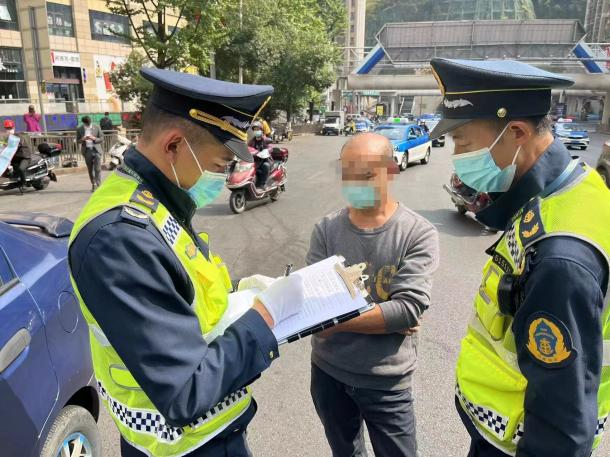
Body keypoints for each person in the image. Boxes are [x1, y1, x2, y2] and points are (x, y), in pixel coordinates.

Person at [68, 67, 304, 457]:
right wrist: (265, 317)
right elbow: (185, 391)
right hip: (181, 446)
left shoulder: (156, 199)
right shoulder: (120, 238)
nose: (222, 178)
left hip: (209, 434)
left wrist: (243, 291)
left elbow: (184, 290)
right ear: (175, 145)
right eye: (219, 165)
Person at [428, 58, 610, 457]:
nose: (456, 155)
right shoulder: (571, 189)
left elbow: (561, 432)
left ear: (515, 133)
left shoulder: (560, 259)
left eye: (463, 142)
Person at [307, 132, 439, 457]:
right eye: (347, 173)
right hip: (328, 373)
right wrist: (385, 316)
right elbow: (312, 301)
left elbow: (406, 310)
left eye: (365, 174)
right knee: (345, 452)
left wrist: (333, 321)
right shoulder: (326, 229)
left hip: (386, 381)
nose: (355, 183)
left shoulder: (416, 233)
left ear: (390, 170)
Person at [76, 115, 104, 191]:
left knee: (97, 169)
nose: (88, 125)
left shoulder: (96, 127)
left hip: (96, 150)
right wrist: (82, 139)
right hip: (87, 151)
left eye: (89, 123)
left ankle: (98, 184)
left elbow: (102, 138)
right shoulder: (79, 129)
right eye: (87, 124)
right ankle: (93, 184)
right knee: (90, 169)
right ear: (83, 123)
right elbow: (77, 140)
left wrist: (95, 139)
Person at [3, 119, 31, 191]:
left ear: (14, 128)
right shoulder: (7, 138)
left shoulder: (18, 137)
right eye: (7, 128)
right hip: (15, 158)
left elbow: (13, 147)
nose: (9, 130)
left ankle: (23, 183)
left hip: (25, 157)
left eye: (10, 128)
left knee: (20, 169)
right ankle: (11, 180)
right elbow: (3, 145)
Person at [248, 120, 272, 188]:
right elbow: (247, 148)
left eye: (258, 129)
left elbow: (270, 147)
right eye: (255, 130)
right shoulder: (251, 141)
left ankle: (263, 184)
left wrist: (267, 150)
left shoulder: (265, 140)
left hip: (264, 160)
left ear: (261, 130)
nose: (256, 131)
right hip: (254, 160)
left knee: (266, 166)